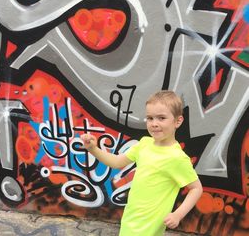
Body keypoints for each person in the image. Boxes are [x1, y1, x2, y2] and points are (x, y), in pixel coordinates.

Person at [80, 90, 203, 236]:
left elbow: (196, 188)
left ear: (178, 121)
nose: (154, 124)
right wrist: (93, 149)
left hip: (149, 226)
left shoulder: (177, 158)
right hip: (131, 217)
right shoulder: (144, 144)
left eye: (161, 118)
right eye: (150, 118)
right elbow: (117, 162)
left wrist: (178, 214)